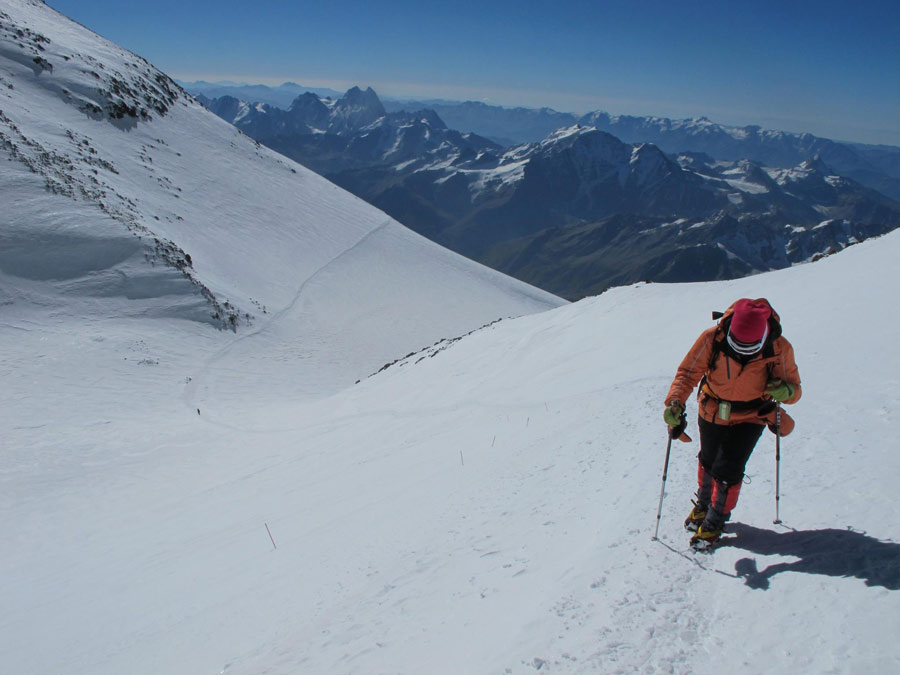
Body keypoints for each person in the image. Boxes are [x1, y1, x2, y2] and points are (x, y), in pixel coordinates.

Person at [663, 298, 802, 549]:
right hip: (713, 409)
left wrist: (787, 391)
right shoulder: (712, 338)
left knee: (729, 468)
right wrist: (675, 402)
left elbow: (795, 389)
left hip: (752, 415)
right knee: (708, 459)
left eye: (750, 346)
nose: (742, 349)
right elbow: (688, 373)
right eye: (737, 344)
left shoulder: (779, 348)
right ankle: (704, 505)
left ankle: (716, 519)